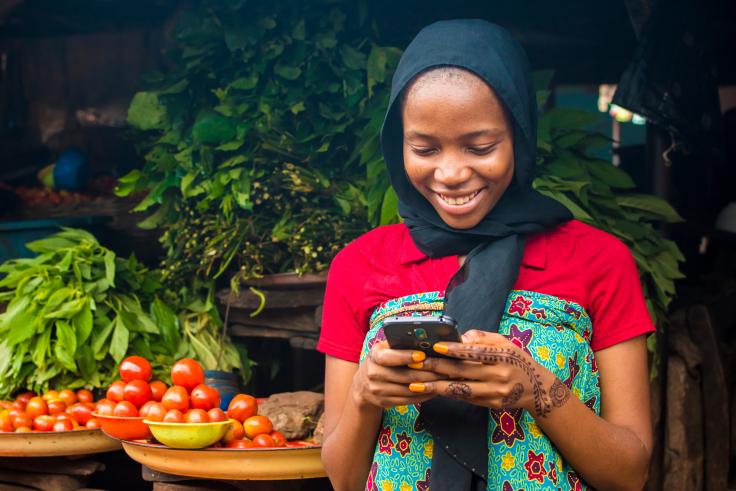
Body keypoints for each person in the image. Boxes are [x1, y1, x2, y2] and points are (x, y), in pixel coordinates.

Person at [318, 19, 654, 491]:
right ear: (399, 146)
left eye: (480, 147)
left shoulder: (599, 260)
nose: (451, 173)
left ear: (519, 135)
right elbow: (343, 480)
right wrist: (363, 396)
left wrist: (535, 388)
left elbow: (630, 474)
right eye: (424, 148)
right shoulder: (360, 265)